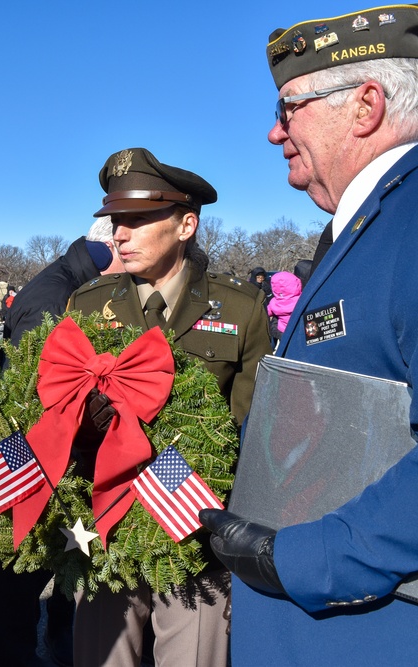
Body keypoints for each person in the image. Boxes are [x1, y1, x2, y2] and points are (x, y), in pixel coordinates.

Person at [199, 6, 418, 665]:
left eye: (289, 106)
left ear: (366, 105)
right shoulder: (366, 229)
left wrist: (298, 557)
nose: (273, 132)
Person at [68, 148, 273, 667]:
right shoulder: (89, 305)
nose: (119, 234)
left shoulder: (242, 310)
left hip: (193, 543)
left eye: (137, 220)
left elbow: (252, 434)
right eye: (117, 221)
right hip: (106, 533)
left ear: (186, 224)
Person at [0, 230, 113, 667]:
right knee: (16, 579)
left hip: (66, 457)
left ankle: (63, 638)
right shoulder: (56, 298)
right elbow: (30, 393)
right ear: (109, 251)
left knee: (71, 560)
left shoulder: (76, 280)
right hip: (34, 458)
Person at [265, 270, 301, 342]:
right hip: (300, 329)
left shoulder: (274, 302)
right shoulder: (301, 299)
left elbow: (267, 312)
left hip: (283, 330)